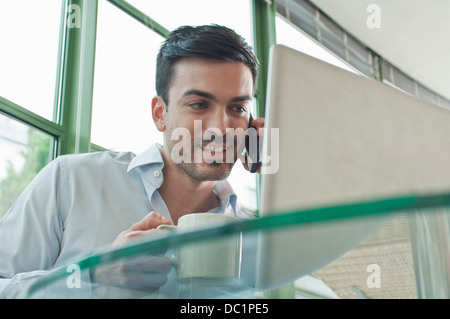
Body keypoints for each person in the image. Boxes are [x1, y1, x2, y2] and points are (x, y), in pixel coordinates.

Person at [0, 24, 264, 298]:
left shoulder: (253, 237)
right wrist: (94, 275)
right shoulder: (70, 180)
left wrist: (286, 176)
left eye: (237, 108)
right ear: (160, 113)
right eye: (199, 104)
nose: (221, 128)